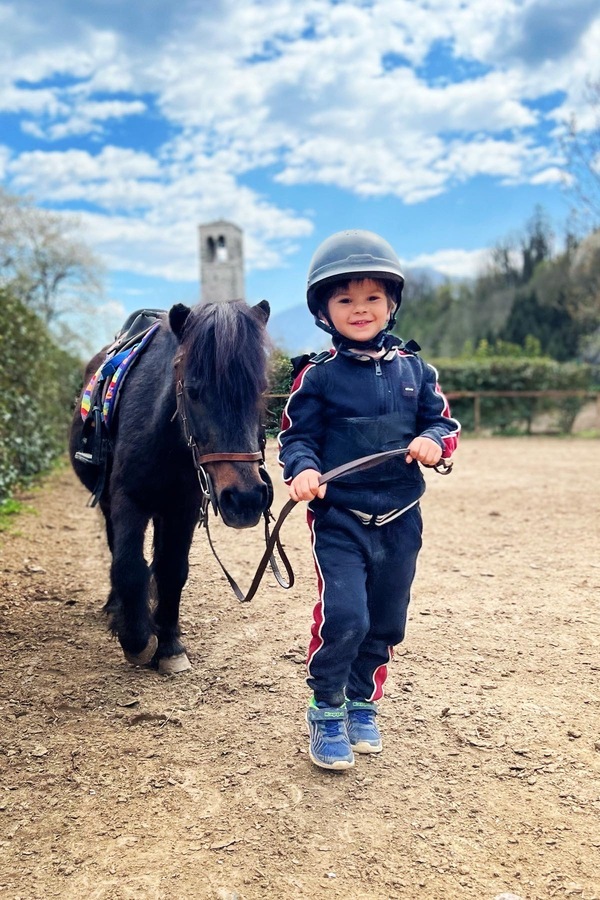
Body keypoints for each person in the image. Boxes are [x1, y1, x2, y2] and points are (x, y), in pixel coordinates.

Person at [277, 229, 460, 771]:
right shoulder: (317, 376)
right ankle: (326, 707)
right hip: (340, 518)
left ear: (391, 303)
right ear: (323, 311)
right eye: (345, 299)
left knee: (386, 621)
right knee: (345, 616)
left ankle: (361, 701)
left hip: (402, 517)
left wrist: (433, 441)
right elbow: (296, 438)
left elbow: (442, 423)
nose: (360, 309)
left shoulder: (417, 371)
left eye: (372, 297)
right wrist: (303, 469)